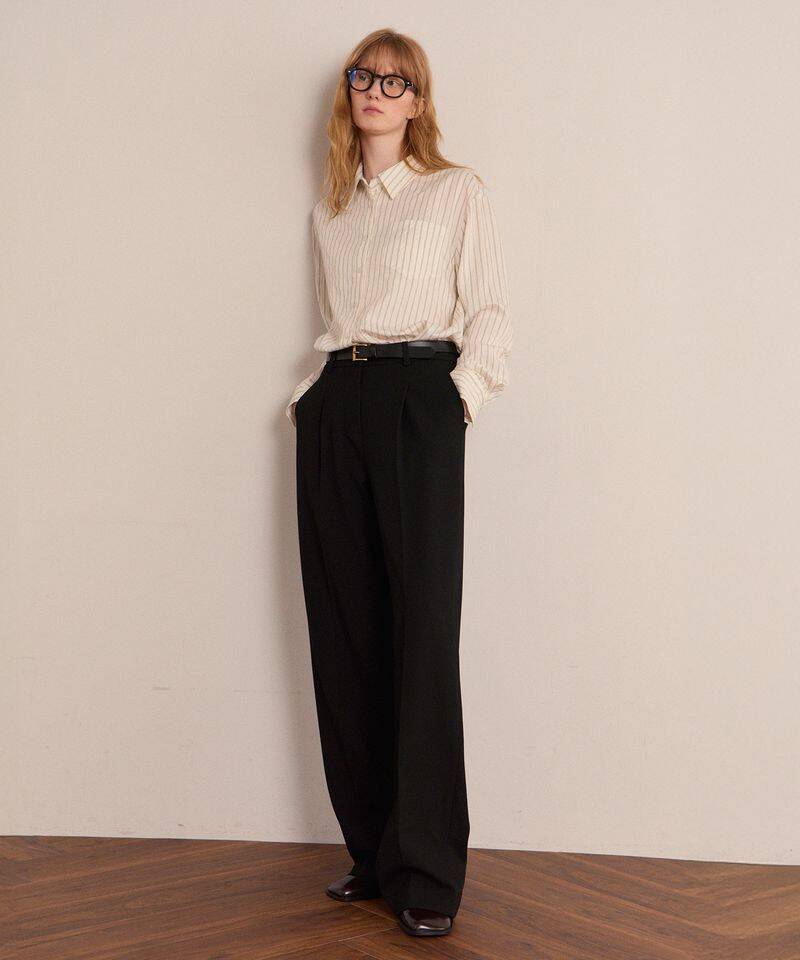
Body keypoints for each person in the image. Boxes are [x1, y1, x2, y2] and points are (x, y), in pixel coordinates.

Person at [287, 29, 512, 938]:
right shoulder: (330, 212)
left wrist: (459, 398)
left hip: (422, 396)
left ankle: (426, 869)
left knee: (421, 630)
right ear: (349, 92)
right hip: (337, 402)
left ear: (418, 101)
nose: (376, 90)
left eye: (395, 80)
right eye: (363, 77)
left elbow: (489, 309)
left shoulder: (456, 191)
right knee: (346, 630)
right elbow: (333, 317)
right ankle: (375, 853)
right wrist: (310, 402)